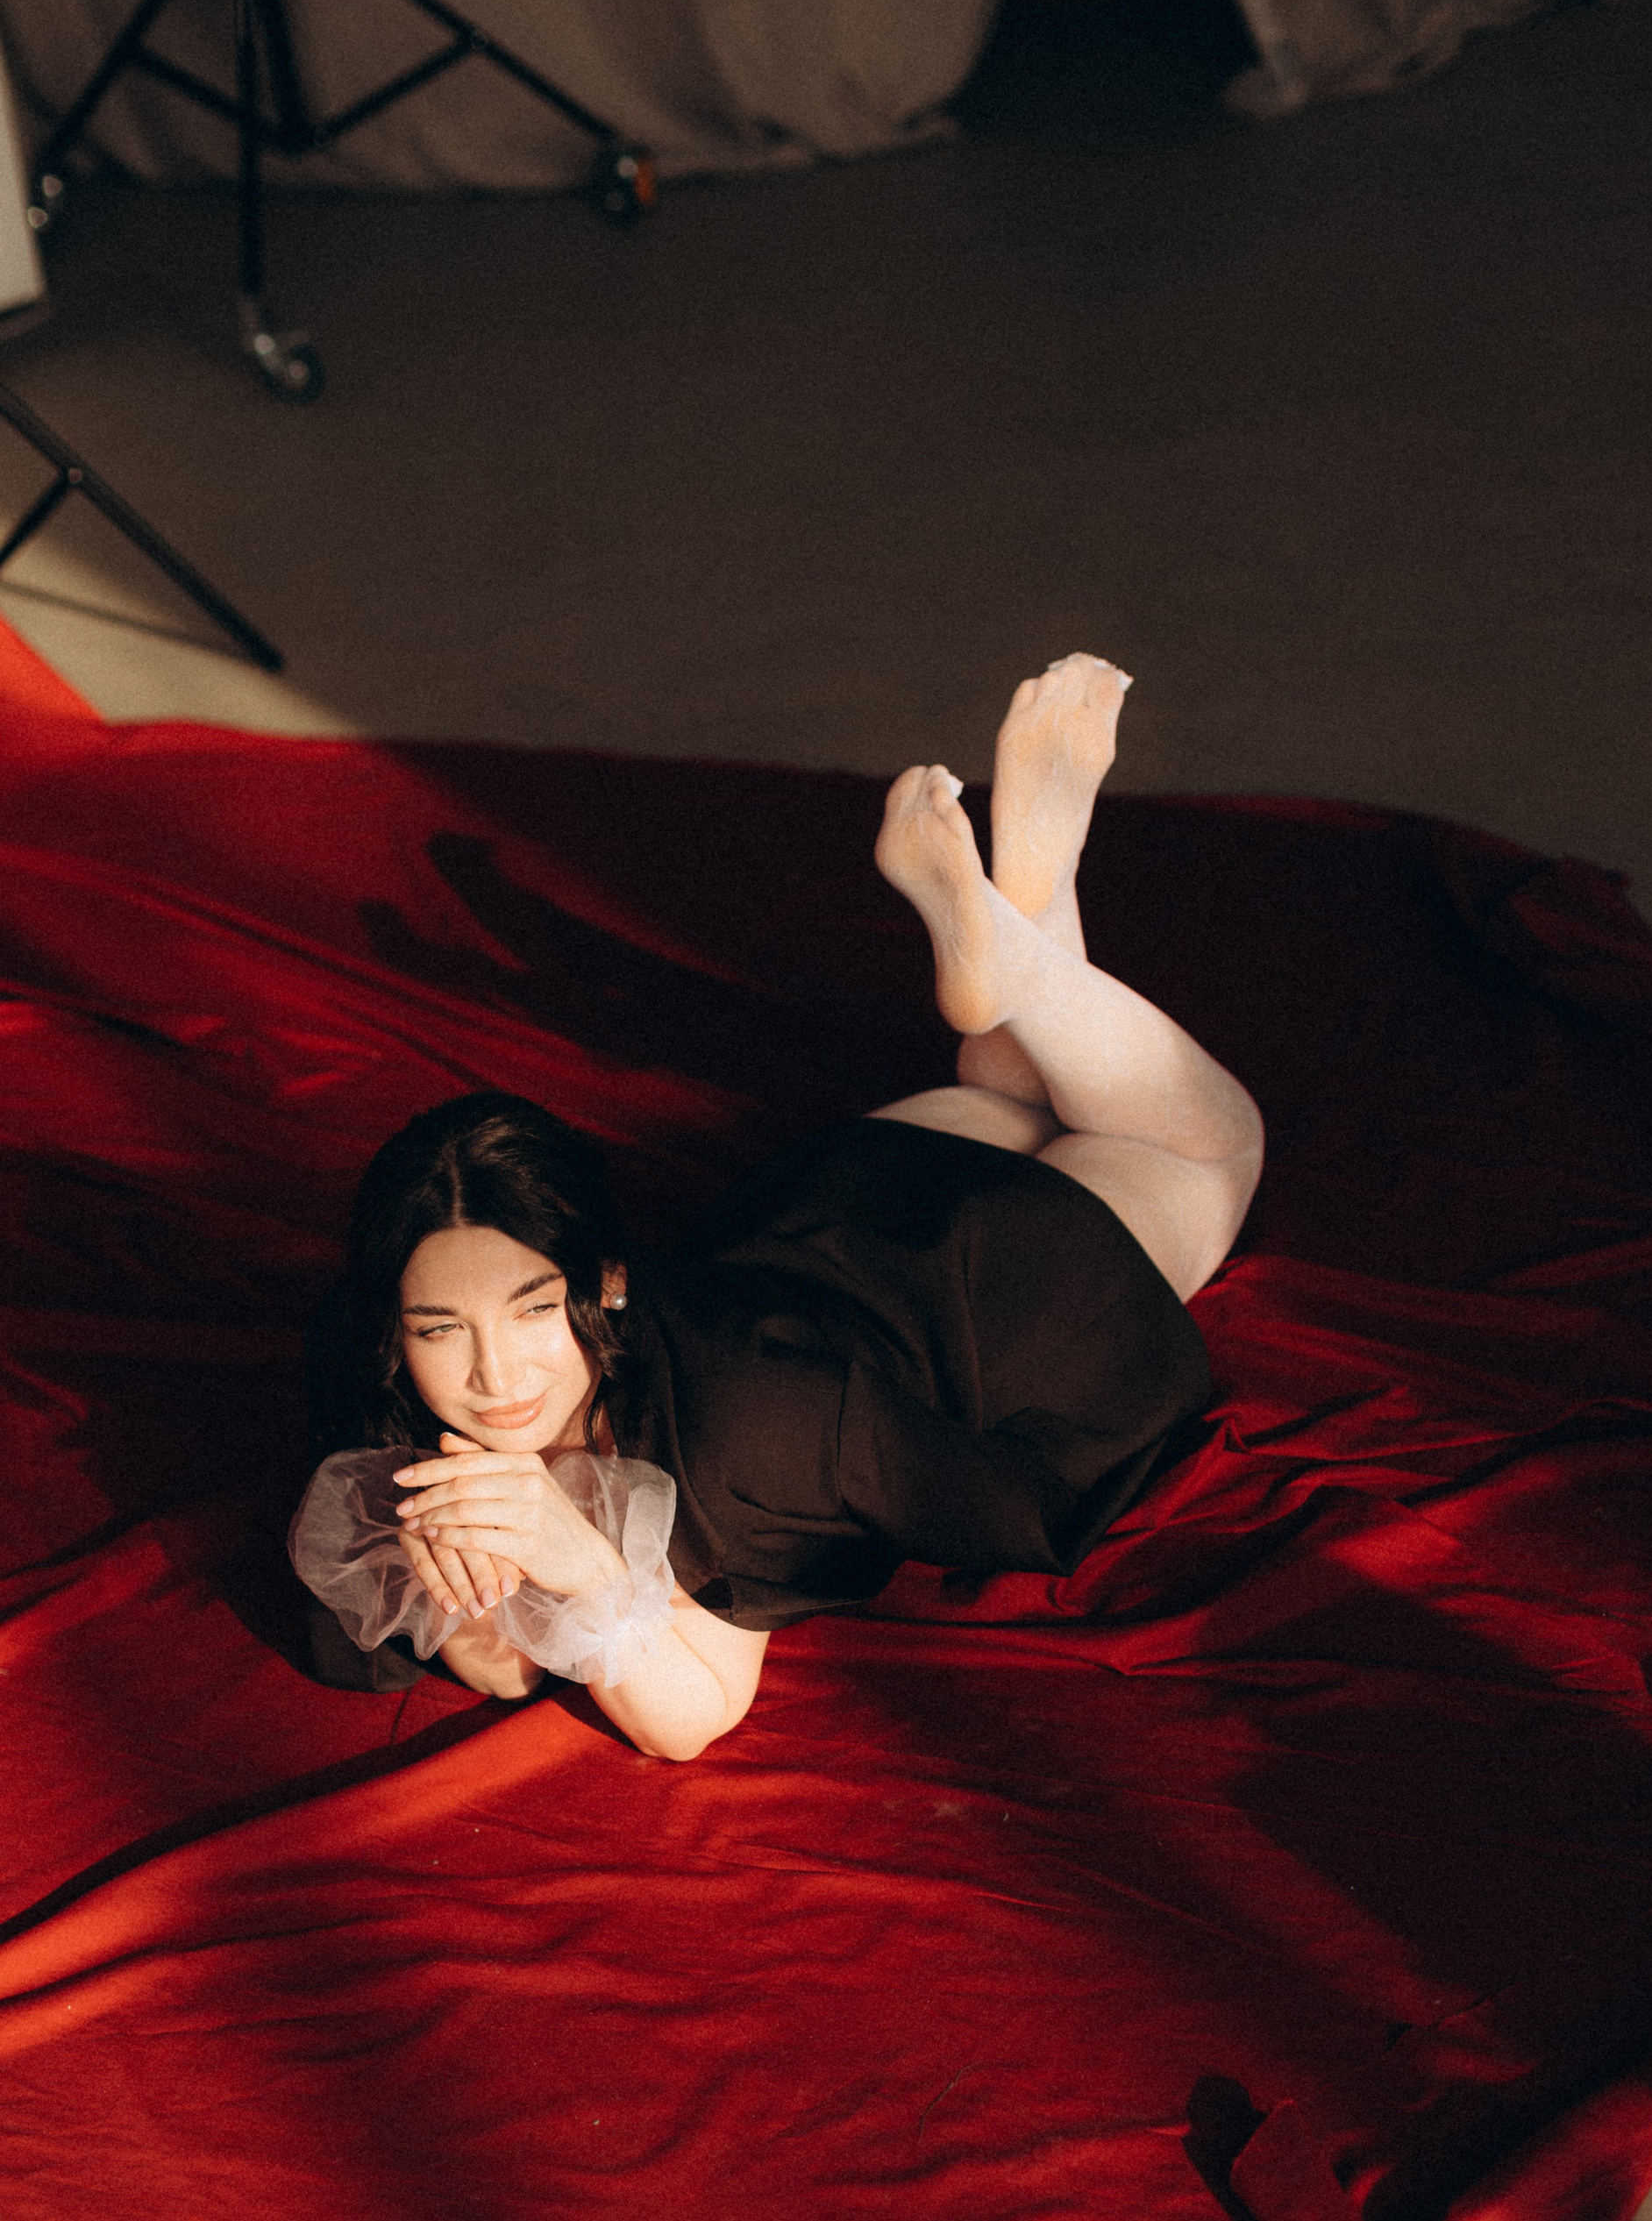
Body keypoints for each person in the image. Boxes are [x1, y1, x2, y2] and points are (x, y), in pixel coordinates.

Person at [291, 656, 1264, 1759]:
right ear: (393, 1329)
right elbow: (493, 1656)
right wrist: (493, 1582)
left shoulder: (734, 1437)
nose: (493, 1378)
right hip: (848, 1194)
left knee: (1217, 1144)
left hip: (997, 1280)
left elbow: (693, 1718)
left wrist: (580, 1565)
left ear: (605, 1280)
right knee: (1016, 1089)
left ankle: (1022, 960)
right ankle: (1022, 926)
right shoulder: (381, 1393)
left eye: (533, 1311)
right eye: (439, 1331)